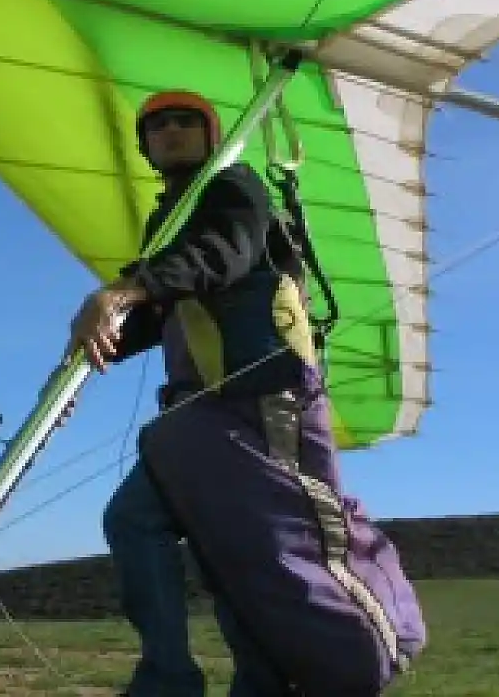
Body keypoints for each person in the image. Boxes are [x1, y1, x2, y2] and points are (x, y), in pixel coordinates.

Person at [65, 89, 426, 696]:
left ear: (211, 136)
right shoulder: (167, 222)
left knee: (257, 548)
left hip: (262, 400)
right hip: (200, 412)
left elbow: (221, 255)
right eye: (158, 126)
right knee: (136, 521)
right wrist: (88, 355)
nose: (171, 131)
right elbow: (162, 309)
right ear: (145, 145)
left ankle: (267, 682)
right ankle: (168, 681)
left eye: (186, 122)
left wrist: (121, 292)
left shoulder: (235, 188)